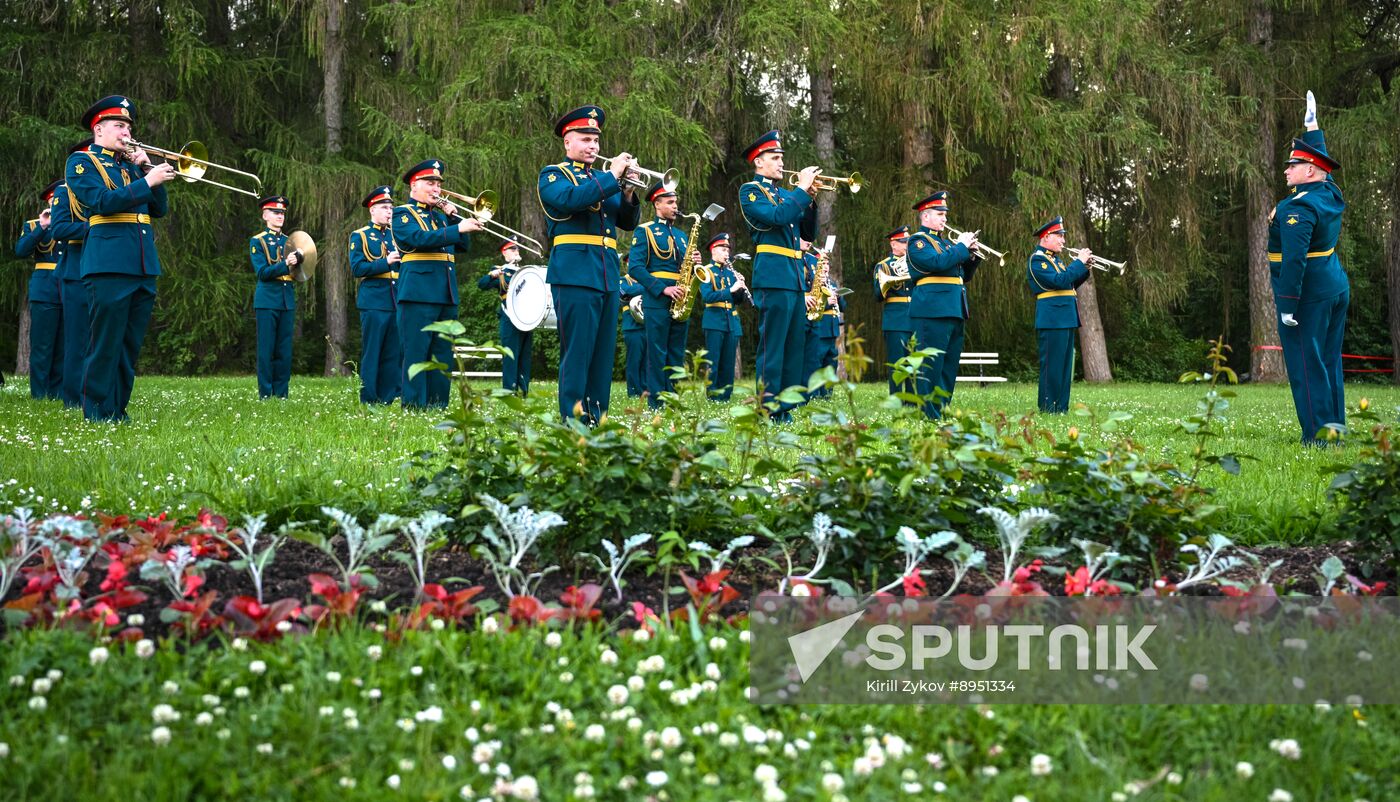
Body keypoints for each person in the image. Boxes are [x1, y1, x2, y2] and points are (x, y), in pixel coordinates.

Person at [65, 95, 174, 423]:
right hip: (108, 264)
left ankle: (117, 411)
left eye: (128, 127)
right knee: (105, 343)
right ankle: (96, 412)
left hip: (142, 264)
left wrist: (147, 170)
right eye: (119, 125)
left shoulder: (131, 166)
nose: (126, 132)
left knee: (129, 345)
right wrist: (147, 182)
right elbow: (101, 202)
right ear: (98, 129)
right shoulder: (82, 162)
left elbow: (159, 210)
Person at [537, 105, 641, 424]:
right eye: (585, 139)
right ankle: (573, 421)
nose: (593, 146)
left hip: (606, 274)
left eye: (596, 140)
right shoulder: (553, 175)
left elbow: (626, 223)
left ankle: (596, 418)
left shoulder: (601, 179)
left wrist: (628, 192)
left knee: (602, 355)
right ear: (567, 141)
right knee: (578, 352)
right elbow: (572, 200)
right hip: (574, 273)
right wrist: (613, 176)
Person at [1271, 91, 1348, 445]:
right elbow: (1325, 169)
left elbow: (1294, 260)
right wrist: (1313, 129)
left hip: (1307, 295)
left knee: (1306, 365)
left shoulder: (1296, 208)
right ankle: (1335, 431)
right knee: (1329, 361)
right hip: (1334, 287)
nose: (1286, 170)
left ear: (1310, 171)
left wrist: (1287, 304)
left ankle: (1317, 437)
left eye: (1293, 165)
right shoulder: (1329, 193)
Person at [738, 130, 819, 422]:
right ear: (758, 162)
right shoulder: (751, 191)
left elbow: (808, 233)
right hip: (772, 275)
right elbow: (777, 218)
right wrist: (801, 191)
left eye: (781, 158)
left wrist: (811, 200)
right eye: (775, 158)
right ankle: (767, 407)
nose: (781, 163)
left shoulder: (786, 195)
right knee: (772, 346)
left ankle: (785, 408)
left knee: (794, 347)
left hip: (794, 276)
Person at [394, 159, 481, 409]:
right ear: (414, 185)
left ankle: (437, 405)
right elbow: (417, 239)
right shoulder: (403, 213)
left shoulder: (442, 219)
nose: (436, 188)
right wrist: (457, 228)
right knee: (416, 351)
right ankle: (414, 406)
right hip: (418, 293)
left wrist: (454, 219)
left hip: (445, 293)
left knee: (442, 352)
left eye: (438, 184)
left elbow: (462, 246)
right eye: (430, 183)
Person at [905, 190, 980, 420]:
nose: (944, 218)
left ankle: (941, 410)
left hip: (954, 308)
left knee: (948, 366)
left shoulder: (946, 244)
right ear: (926, 216)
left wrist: (971, 257)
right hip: (932, 310)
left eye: (944, 214)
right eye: (940, 214)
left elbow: (962, 275)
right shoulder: (918, 241)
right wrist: (961, 247)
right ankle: (928, 415)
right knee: (930, 365)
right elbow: (936, 263)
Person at [628, 181, 697, 409]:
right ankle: (656, 402)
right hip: (658, 298)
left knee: (676, 352)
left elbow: (685, 269)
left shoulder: (681, 235)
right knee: (657, 351)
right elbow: (635, 268)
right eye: (670, 202)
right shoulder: (645, 230)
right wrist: (662, 288)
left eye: (675, 201)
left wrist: (695, 264)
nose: (675, 206)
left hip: (681, 297)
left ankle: (673, 399)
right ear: (657, 204)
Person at [1026, 217, 1091, 413]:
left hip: (1066, 317)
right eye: (1059, 236)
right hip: (1052, 319)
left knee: (1064, 368)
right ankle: (1048, 408)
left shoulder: (1057, 260)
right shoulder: (1038, 260)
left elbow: (1069, 284)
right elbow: (1059, 281)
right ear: (1046, 237)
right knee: (1052, 367)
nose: (1063, 240)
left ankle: (1061, 408)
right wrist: (1078, 262)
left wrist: (1084, 268)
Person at [350, 185, 402, 405]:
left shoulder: (396, 235)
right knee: (373, 351)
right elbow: (357, 268)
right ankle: (369, 398)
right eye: (384, 207)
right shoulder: (360, 235)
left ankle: (387, 398)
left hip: (396, 298)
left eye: (390, 208)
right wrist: (385, 262)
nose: (389, 211)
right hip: (374, 300)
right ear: (372, 210)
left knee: (393, 352)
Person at [52, 140, 94, 408]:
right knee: (77, 338)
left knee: (98, 337)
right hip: (76, 269)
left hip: (103, 264)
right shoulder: (64, 191)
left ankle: (94, 393)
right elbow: (58, 229)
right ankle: (73, 398)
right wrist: (95, 227)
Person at [15, 181, 63, 400]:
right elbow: (21, 250)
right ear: (49, 202)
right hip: (45, 290)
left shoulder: (74, 223)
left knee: (63, 346)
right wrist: (43, 226)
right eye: (54, 200)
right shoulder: (34, 225)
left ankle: (57, 393)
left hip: (69, 288)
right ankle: (39, 394)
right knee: (42, 345)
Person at [250, 195, 299, 399]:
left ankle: (281, 394)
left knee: (284, 351)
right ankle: (265, 394)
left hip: (286, 299)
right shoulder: (258, 241)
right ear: (265, 215)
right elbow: (262, 272)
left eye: (282, 213)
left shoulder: (290, 241)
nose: (280, 216)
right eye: (276, 212)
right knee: (266, 350)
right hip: (267, 300)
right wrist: (285, 264)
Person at [477, 240, 532, 395]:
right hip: (509, 316)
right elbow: (482, 284)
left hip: (527, 316)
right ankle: (509, 391)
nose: (516, 251)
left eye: (517, 249)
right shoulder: (501, 271)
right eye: (512, 249)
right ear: (504, 253)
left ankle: (523, 391)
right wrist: (493, 274)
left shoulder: (526, 272)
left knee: (525, 356)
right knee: (510, 355)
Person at [698, 232, 746, 400]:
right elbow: (707, 296)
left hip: (731, 321)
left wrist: (740, 288)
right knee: (713, 361)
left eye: (728, 250)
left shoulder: (730, 272)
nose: (727, 253)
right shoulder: (705, 271)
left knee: (728, 362)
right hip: (714, 321)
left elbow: (738, 300)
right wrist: (730, 290)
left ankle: (725, 396)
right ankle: (713, 396)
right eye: (723, 250)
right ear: (713, 250)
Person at [873, 225, 913, 398]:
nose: (907, 245)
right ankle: (896, 400)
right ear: (893, 244)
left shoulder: (915, 262)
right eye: (903, 242)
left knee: (914, 363)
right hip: (896, 319)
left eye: (908, 242)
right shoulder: (883, 266)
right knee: (897, 363)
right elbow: (877, 295)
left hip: (915, 316)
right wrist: (890, 282)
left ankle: (912, 401)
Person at [802, 241, 842, 399]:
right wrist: (827, 302)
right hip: (821, 328)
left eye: (827, 264)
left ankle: (827, 395)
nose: (825, 267)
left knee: (831, 364)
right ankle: (814, 394)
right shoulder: (813, 284)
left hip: (832, 330)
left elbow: (843, 307)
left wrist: (838, 297)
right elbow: (813, 306)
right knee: (816, 363)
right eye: (822, 263)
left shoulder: (832, 283)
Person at [618, 254, 647, 398]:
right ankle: (634, 392)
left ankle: (645, 390)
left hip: (647, 325)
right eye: (630, 262)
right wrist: (650, 286)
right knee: (634, 360)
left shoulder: (646, 280)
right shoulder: (622, 281)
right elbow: (626, 292)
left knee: (647, 361)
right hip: (632, 326)